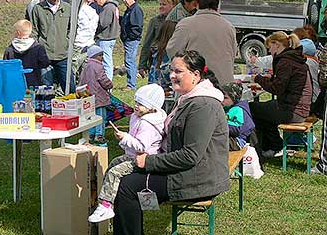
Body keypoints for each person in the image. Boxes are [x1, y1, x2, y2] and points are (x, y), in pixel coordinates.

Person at [112, 50, 230, 235]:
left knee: (128, 187)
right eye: (171, 70)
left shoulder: (203, 105)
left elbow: (190, 156)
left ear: (196, 75)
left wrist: (149, 162)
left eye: (178, 71)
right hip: (190, 171)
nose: (172, 75)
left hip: (197, 178)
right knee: (122, 175)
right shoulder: (189, 98)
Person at [88, 83, 166, 223]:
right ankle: (110, 197)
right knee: (113, 164)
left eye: (140, 104)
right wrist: (125, 138)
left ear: (152, 107)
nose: (136, 106)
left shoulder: (148, 124)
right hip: (133, 155)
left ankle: (106, 205)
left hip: (143, 159)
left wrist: (125, 138)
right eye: (136, 102)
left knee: (115, 172)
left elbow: (142, 146)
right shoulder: (138, 117)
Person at [249, 31, 312, 158]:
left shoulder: (285, 61)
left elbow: (277, 88)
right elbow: (285, 83)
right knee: (264, 109)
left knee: (250, 108)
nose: (269, 51)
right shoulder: (293, 59)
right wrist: (270, 78)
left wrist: (258, 78)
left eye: (270, 48)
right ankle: (273, 145)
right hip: (300, 108)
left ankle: (269, 146)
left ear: (276, 45)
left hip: (293, 111)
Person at [31, 0, 76, 93]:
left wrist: (67, 42)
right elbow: (34, 31)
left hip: (63, 55)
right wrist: (36, 50)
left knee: (70, 87)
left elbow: (72, 29)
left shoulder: (68, 9)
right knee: (46, 90)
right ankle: (47, 111)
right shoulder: (38, 9)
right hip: (44, 55)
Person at [138, 0, 179, 79]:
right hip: (158, 59)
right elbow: (147, 43)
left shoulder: (181, 21)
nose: (161, 6)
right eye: (160, 4)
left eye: (164, 4)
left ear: (173, 5)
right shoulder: (155, 21)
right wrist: (142, 64)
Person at [79, 45, 113, 145]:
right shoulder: (98, 66)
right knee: (100, 117)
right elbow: (103, 79)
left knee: (90, 117)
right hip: (99, 97)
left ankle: (90, 134)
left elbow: (81, 80)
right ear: (95, 56)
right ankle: (99, 135)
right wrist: (110, 84)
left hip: (88, 96)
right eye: (100, 55)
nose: (102, 57)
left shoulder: (86, 66)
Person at [3, 19, 50, 87]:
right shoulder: (38, 48)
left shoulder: (9, 50)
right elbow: (45, 63)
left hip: (14, 83)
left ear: (18, 33)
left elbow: (5, 67)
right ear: (30, 32)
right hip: (33, 82)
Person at [72, 0, 99, 81]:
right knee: (84, 74)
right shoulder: (92, 11)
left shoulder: (76, 10)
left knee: (72, 71)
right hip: (89, 43)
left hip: (78, 43)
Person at [93, 0, 120, 80]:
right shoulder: (113, 6)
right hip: (111, 37)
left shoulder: (108, 8)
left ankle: (108, 81)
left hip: (106, 38)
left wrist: (95, 31)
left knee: (106, 61)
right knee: (107, 60)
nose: (96, 3)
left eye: (96, 0)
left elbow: (103, 23)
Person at [120, 0, 144, 90]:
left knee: (129, 61)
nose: (124, 0)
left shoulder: (136, 10)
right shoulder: (129, 10)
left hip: (131, 40)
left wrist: (130, 37)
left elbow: (137, 26)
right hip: (129, 39)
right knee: (129, 60)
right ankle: (131, 83)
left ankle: (131, 85)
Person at [222, 82, 256, 151]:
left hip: (238, 141)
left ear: (234, 99)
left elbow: (237, 129)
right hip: (231, 138)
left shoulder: (238, 110)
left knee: (214, 142)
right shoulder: (227, 107)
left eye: (225, 98)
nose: (222, 100)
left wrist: (220, 126)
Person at [148, 20, 177, 88]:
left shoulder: (155, 48)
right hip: (164, 89)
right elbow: (167, 73)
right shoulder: (168, 53)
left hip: (152, 85)